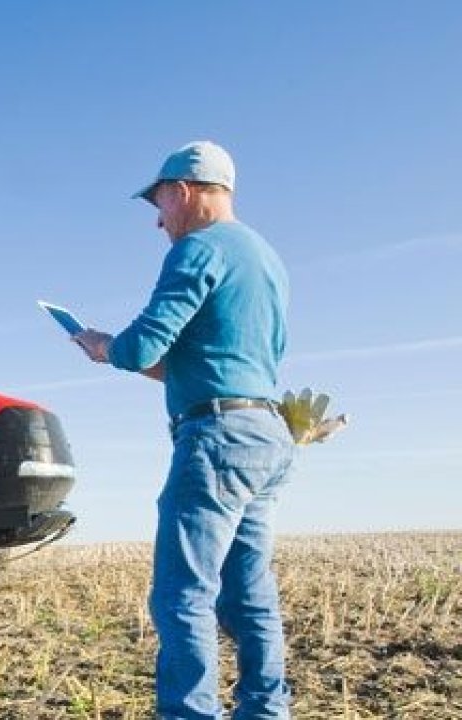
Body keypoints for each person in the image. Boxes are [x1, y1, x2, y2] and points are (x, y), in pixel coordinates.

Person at [73, 140, 296, 719]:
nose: (157, 219)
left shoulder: (197, 248)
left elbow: (144, 343)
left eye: (160, 202)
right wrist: (123, 357)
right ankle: (266, 711)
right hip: (265, 435)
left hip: (217, 442)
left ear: (184, 191)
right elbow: (221, 362)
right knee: (249, 595)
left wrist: (105, 346)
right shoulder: (266, 257)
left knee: (182, 596)